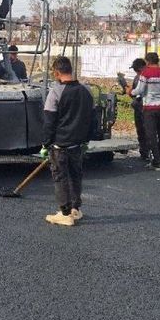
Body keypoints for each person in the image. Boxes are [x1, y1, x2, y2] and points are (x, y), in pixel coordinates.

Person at [41, 56, 93, 226]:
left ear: (56, 73)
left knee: (61, 177)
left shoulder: (55, 92)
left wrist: (45, 143)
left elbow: (49, 121)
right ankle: (75, 209)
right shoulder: (86, 90)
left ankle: (65, 214)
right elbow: (91, 118)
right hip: (77, 143)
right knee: (76, 176)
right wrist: (86, 139)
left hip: (60, 144)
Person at [127, 58, 151, 162]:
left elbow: (135, 93)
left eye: (136, 69)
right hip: (140, 106)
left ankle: (147, 153)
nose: (135, 71)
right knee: (141, 131)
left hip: (143, 107)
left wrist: (129, 91)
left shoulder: (142, 77)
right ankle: (145, 152)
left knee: (145, 131)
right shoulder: (138, 77)